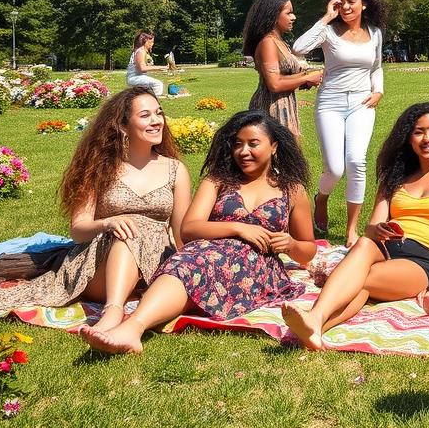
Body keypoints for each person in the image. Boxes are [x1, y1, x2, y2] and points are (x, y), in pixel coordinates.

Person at [81, 111, 316, 354]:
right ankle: (132, 328)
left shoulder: (292, 190)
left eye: (253, 143)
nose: (244, 151)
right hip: (204, 252)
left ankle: (132, 328)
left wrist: (289, 244)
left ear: (274, 147)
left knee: (199, 270)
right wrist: (238, 228)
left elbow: (307, 250)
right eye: (237, 144)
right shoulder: (217, 181)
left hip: (254, 265)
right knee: (185, 265)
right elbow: (190, 228)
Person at [0, 86, 191, 335]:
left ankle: (118, 311)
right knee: (126, 232)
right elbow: (78, 230)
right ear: (123, 125)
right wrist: (108, 223)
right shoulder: (101, 168)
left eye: (159, 113)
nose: (157, 121)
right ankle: (113, 311)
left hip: (152, 269)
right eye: (146, 115)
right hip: (99, 268)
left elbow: (181, 235)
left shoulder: (175, 170)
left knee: (137, 227)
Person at [283, 103, 429, 351]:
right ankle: (315, 323)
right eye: (419, 132)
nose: (427, 138)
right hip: (383, 245)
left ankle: (316, 323)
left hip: (420, 259)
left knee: (364, 280)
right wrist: (376, 230)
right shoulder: (396, 175)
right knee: (364, 244)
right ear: (408, 138)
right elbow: (372, 226)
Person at [292, 0, 386, 246]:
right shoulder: (329, 31)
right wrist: (325, 17)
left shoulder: (375, 33)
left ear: (364, 4)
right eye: (341, 1)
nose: (345, 6)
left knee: (357, 162)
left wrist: (378, 90)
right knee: (334, 168)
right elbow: (299, 48)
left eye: (351, 1)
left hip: (362, 103)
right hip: (330, 103)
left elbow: (376, 66)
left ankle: (351, 230)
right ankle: (321, 197)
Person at [242, 0, 324, 136]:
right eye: (289, 13)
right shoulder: (268, 42)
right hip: (271, 109)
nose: (294, 17)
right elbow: (274, 84)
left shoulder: (280, 42)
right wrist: (305, 78)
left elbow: (283, 77)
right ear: (273, 16)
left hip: (285, 105)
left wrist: (308, 76)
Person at [126, 31, 163, 96]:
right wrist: (161, 67)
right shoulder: (141, 51)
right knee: (158, 84)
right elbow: (142, 68)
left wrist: (148, 65)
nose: (152, 44)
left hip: (136, 78)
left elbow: (138, 67)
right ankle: (154, 100)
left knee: (150, 89)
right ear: (145, 41)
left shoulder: (139, 51)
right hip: (134, 78)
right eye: (151, 42)